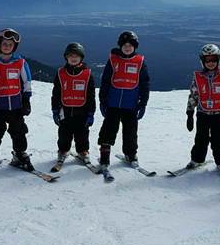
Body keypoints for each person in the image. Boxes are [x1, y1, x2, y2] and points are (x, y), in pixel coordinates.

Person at [0, 28, 34, 172]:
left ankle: (19, 154)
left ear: (14, 47)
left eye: (11, 45)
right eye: (5, 44)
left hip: (16, 106)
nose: (7, 47)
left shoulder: (21, 63)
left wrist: (27, 101)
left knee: (19, 131)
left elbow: (26, 82)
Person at [97, 31, 151, 168]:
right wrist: (102, 100)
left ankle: (130, 154)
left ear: (135, 47)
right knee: (108, 131)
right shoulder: (113, 60)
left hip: (131, 105)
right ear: (120, 46)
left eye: (130, 45)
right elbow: (105, 81)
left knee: (130, 132)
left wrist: (143, 103)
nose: (127, 47)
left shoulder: (140, 61)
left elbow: (145, 83)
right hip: (112, 104)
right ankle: (104, 155)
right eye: (124, 45)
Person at [186, 44, 220, 175]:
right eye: (207, 59)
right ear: (202, 61)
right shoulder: (198, 77)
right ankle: (197, 159)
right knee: (200, 138)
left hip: (218, 114)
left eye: (213, 59)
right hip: (202, 113)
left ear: (218, 60)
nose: (210, 63)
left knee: (218, 138)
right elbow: (194, 95)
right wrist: (190, 113)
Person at [51, 42, 97, 166]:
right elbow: (56, 93)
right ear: (66, 57)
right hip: (65, 111)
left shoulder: (87, 74)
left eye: (76, 56)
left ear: (81, 57)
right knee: (64, 133)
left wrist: (91, 113)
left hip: (82, 111)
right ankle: (63, 150)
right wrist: (55, 111)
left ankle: (83, 151)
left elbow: (91, 96)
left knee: (82, 134)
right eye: (71, 56)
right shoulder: (61, 73)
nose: (74, 58)